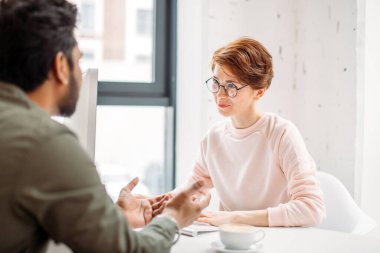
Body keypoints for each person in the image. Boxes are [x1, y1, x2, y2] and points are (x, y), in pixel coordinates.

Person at [0, 0, 210, 252]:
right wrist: (173, 217)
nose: (80, 72)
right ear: (60, 66)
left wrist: (114, 217)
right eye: (79, 61)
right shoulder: (44, 142)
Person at [154, 37, 326, 227]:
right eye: (216, 82)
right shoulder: (213, 138)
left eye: (232, 87)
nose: (220, 94)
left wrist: (234, 217)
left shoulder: (281, 134)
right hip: (232, 241)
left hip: (278, 241)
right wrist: (157, 204)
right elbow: (192, 190)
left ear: (259, 92)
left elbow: (312, 209)